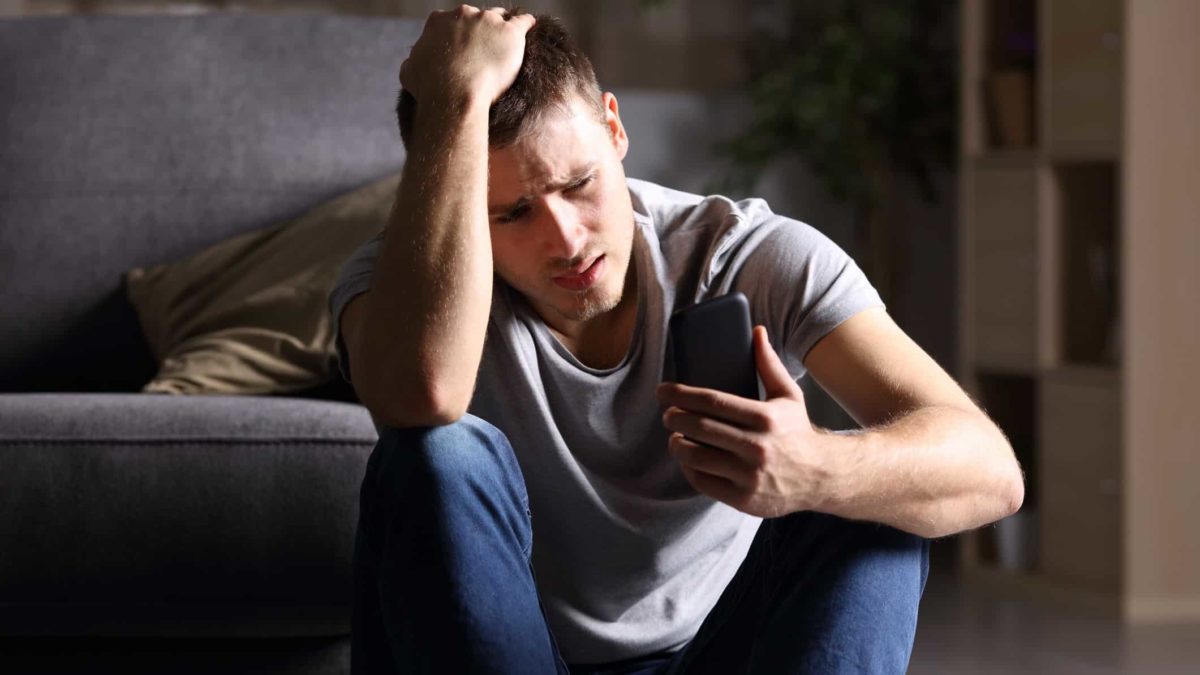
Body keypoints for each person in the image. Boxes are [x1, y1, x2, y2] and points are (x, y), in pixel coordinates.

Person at [329, 7, 1024, 674]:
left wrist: (815, 467)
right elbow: (422, 393)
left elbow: (993, 471)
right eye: (512, 213)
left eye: (579, 183)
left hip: (716, 652)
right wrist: (455, 98)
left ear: (614, 128)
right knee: (434, 451)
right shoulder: (394, 287)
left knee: (875, 495)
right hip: (519, 654)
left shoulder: (747, 254)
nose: (566, 240)